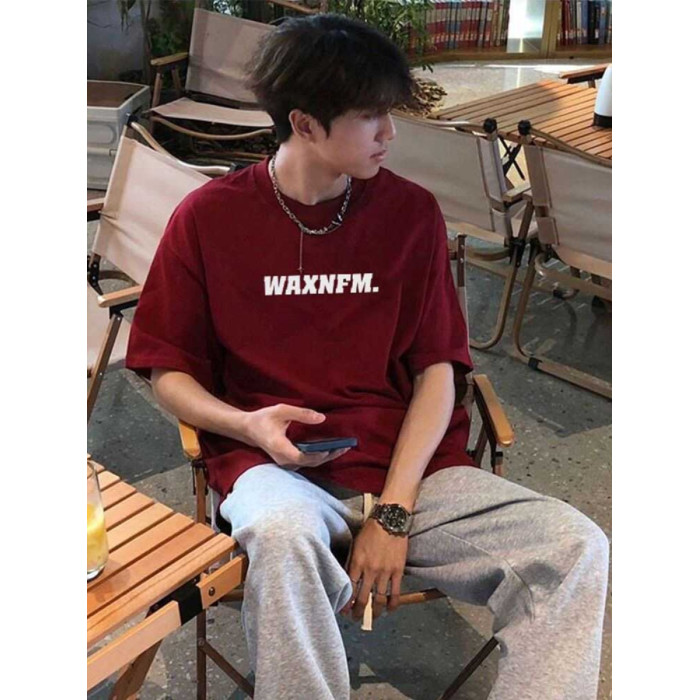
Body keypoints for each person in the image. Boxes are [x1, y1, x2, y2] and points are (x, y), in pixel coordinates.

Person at [126, 13, 608, 700]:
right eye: (370, 116)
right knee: (283, 534)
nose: (390, 133)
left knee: (575, 547)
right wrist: (246, 425)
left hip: (412, 472)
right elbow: (168, 370)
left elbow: (438, 372)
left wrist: (394, 514)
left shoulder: (409, 214)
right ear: (305, 123)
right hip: (273, 470)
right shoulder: (208, 218)